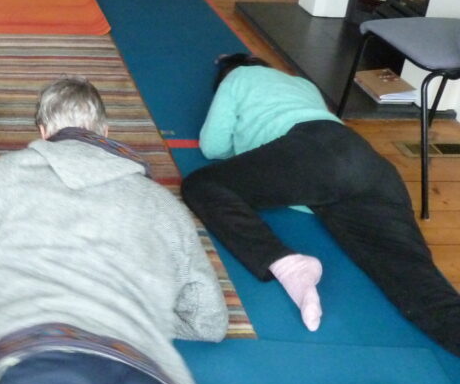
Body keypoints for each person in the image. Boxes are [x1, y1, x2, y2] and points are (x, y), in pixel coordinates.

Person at [0, 77, 228, 384]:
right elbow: (208, 323)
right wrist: (142, 316)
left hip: (32, 367)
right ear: (104, 131)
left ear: (43, 131)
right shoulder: (162, 204)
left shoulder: (3, 173)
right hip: (143, 378)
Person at [181, 53, 460, 356]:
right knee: (419, 283)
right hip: (371, 166)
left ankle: (287, 264)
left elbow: (213, 146)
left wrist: (244, 145)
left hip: (316, 153)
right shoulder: (302, 84)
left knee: (202, 184)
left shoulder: (236, 78)